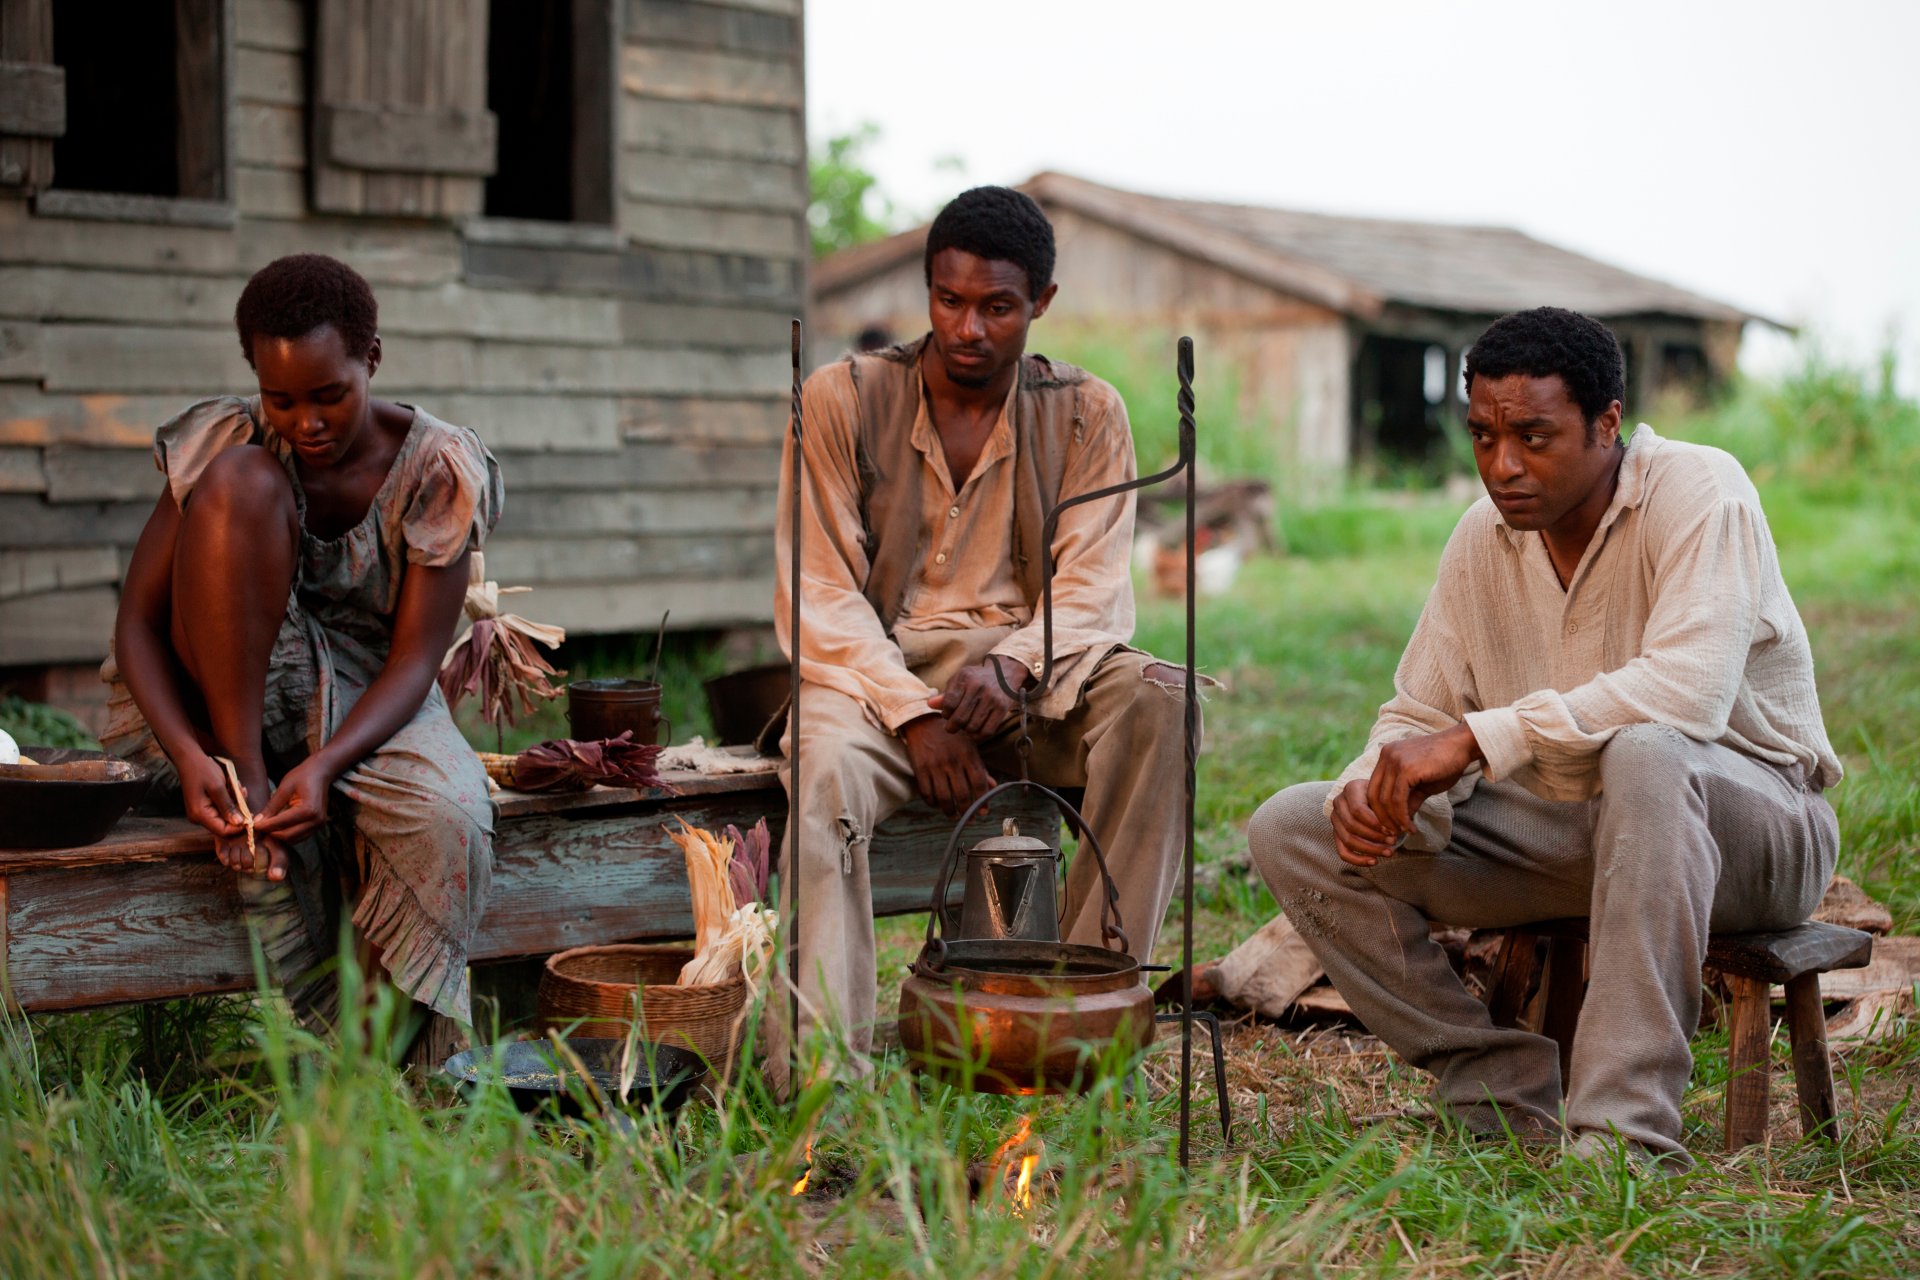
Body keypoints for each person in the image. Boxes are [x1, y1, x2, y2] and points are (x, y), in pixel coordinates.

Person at [1228, 307, 1840, 1167]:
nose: (1503, 465)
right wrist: (1378, 787)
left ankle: (1623, 1135)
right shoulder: (1484, 537)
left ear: (1608, 423)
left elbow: (1685, 692)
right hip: (1573, 832)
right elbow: (1418, 712)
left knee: (1650, 752)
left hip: (1752, 834)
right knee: (1294, 826)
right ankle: (1499, 1086)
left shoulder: (1703, 491)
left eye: (1533, 436)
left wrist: (1476, 742)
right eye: (1482, 435)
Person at [770, 186, 1198, 1091]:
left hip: (1037, 679)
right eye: (950, 301)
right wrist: (916, 717)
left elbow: (1091, 588)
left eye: (997, 307)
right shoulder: (843, 399)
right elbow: (818, 590)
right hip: (874, 681)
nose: (969, 328)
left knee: (1164, 699)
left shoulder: (1086, 412)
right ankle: (822, 1082)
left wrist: (1011, 665)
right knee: (823, 769)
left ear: (1040, 303)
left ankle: (1079, 1022)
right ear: (928, 290)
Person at [103, 253, 502, 1028]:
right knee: (240, 480)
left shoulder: (436, 467)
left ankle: (359, 1057)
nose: (306, 424)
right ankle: (248, 772)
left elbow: (417, 660)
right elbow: (138, 626)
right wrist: (199, 758)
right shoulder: (230, 438)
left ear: (372, 360)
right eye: (279, 399)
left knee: (447, 817)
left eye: (329, 396)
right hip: (224, 697)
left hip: (371, 693)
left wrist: (324, 766)